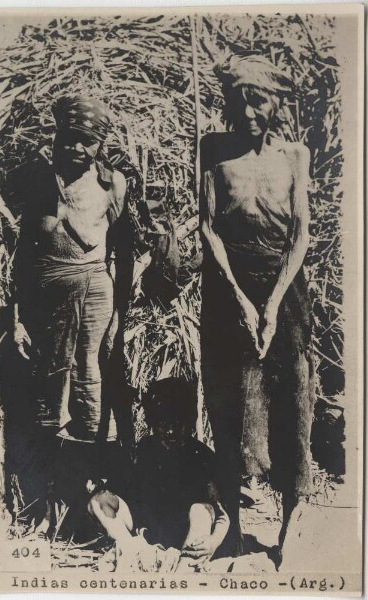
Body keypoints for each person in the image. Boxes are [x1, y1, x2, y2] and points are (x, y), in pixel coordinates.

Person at [200, 55, 315, 563]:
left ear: (275, 104)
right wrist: (244, 302)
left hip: (284, 285)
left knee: (293, 397)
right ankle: (235, 526)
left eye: (259, 100)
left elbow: (301, 232)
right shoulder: (213, 151)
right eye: (240, 100)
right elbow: (208, 228)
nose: (249, 112)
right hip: (228, 287)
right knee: (228, 401)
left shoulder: (295, 155)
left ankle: (291, 519)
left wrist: (271, 305)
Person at [6, 95, 135, 532]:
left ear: (100, 145)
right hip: (46, 298)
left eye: (88, 142)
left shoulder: (112, 184)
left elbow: (122, 250)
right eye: (70, 139)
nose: (78, 149)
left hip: (95, 290)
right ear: (57, 136)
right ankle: (46, 502)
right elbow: (23, 254)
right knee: (48, 387)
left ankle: (90, 497)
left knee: (89, 382)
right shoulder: (40, 180)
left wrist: (120, 309)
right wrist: (18, 316)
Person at [88, 378, 229, 571]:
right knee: (99, 501)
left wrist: (213, 542)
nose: (170, 431)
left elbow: (221, 514)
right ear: (152, 423)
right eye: (163, 424)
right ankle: (130, 549)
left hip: (185, 531)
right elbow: (117, 494)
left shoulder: (202, 456)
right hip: (147, 530)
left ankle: (186, 564)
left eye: (177, 423)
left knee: (202, 510)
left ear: (188, 422)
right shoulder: (142, 451)